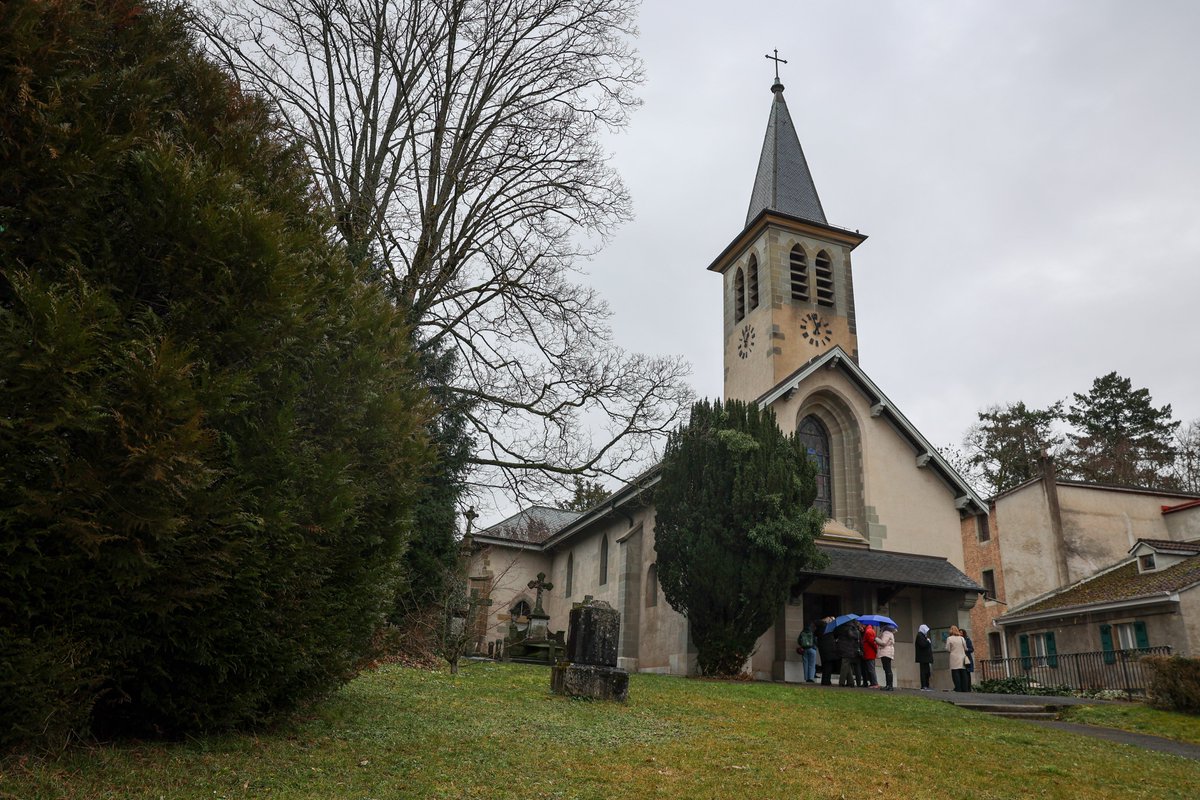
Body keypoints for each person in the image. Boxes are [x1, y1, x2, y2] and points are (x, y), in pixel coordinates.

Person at [835, 619, 862, 687]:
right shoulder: (851, 629)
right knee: (845, 665)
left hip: (842, 648)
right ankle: (842, 682)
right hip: (848, 649)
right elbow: (853, 636)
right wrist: (858, 632)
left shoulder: (841, 627)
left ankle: (851, 682)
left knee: (847, 665)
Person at [947, 625, 969, 692]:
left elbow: (948, 648)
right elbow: (965, 648)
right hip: (962, 657)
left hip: (954, 657)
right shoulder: (962, 638)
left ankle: (958, 688)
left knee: (955, 673)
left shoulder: (949, 638)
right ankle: (965, 688)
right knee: (963, 673)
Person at [817, 616, 838, 685]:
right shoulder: (828, 629)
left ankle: (825, 681)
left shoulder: (820, 628)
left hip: (823, 649)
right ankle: (826, 681)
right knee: (828, 666)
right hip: (829, 650)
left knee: (825, 665)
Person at [876, 623, 896, 691]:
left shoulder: (886, 633)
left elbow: (883, 643)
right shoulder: (889, 633)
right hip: (888, 652)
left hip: (885, 652)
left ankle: (889, 685)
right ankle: (889, 685)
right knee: (888, 669)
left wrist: (876, 639)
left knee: (887, 669)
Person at [915, 623, 934, 690]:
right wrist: (927, 642)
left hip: (925, 657)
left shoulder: (923, 636)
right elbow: (923, 645)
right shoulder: (920, 636)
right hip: (923, 657)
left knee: (927, 672)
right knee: (924, 672)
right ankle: (924, 685)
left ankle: (926, 684)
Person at [861, 623, 879, 688]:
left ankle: (874, 683)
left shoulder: (868, 631)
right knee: (869, 669)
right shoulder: (869, 630)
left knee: (871, 669)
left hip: (869, 653)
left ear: (865, 624)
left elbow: (872, 642)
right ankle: (873, 683)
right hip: (869, 653)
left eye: (862, 624)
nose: (861, 626)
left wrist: (876, 650)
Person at [962, 628, 975, 692]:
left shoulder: (967, 639)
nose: (960, 634)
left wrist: (966, 649)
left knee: (967, 673)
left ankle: (968, 688)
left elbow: (971, 649)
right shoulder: (959, 640)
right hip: (961, 658)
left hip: (967, 658)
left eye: (961, 633)